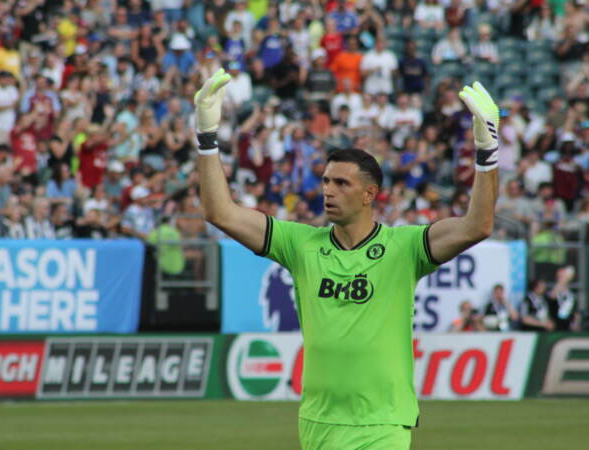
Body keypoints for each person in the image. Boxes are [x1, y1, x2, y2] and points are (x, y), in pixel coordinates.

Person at [194, 69, 501, 449]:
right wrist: (207, 139)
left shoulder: (404, 248)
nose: (328, 190)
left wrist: (486, 154)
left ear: (370, 194)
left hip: (382, 423)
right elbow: (220, 212)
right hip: (318, 421)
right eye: (325, 181)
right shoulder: (300, 244)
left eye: (341, 183)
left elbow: (477, 226)